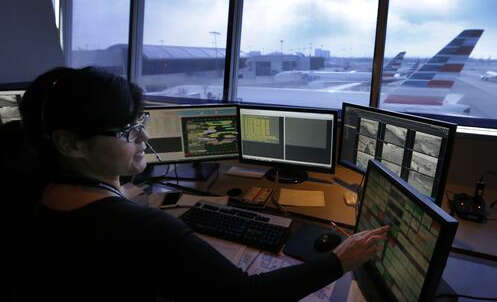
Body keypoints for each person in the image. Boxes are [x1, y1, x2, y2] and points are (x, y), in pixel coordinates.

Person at [7, 66, 389, 302]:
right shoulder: (140, 228)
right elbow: (247, 296)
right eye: (127, 130)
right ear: (69, 143)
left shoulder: (33, 193)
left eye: (142, 123)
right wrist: (340, 259)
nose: (143, 140)